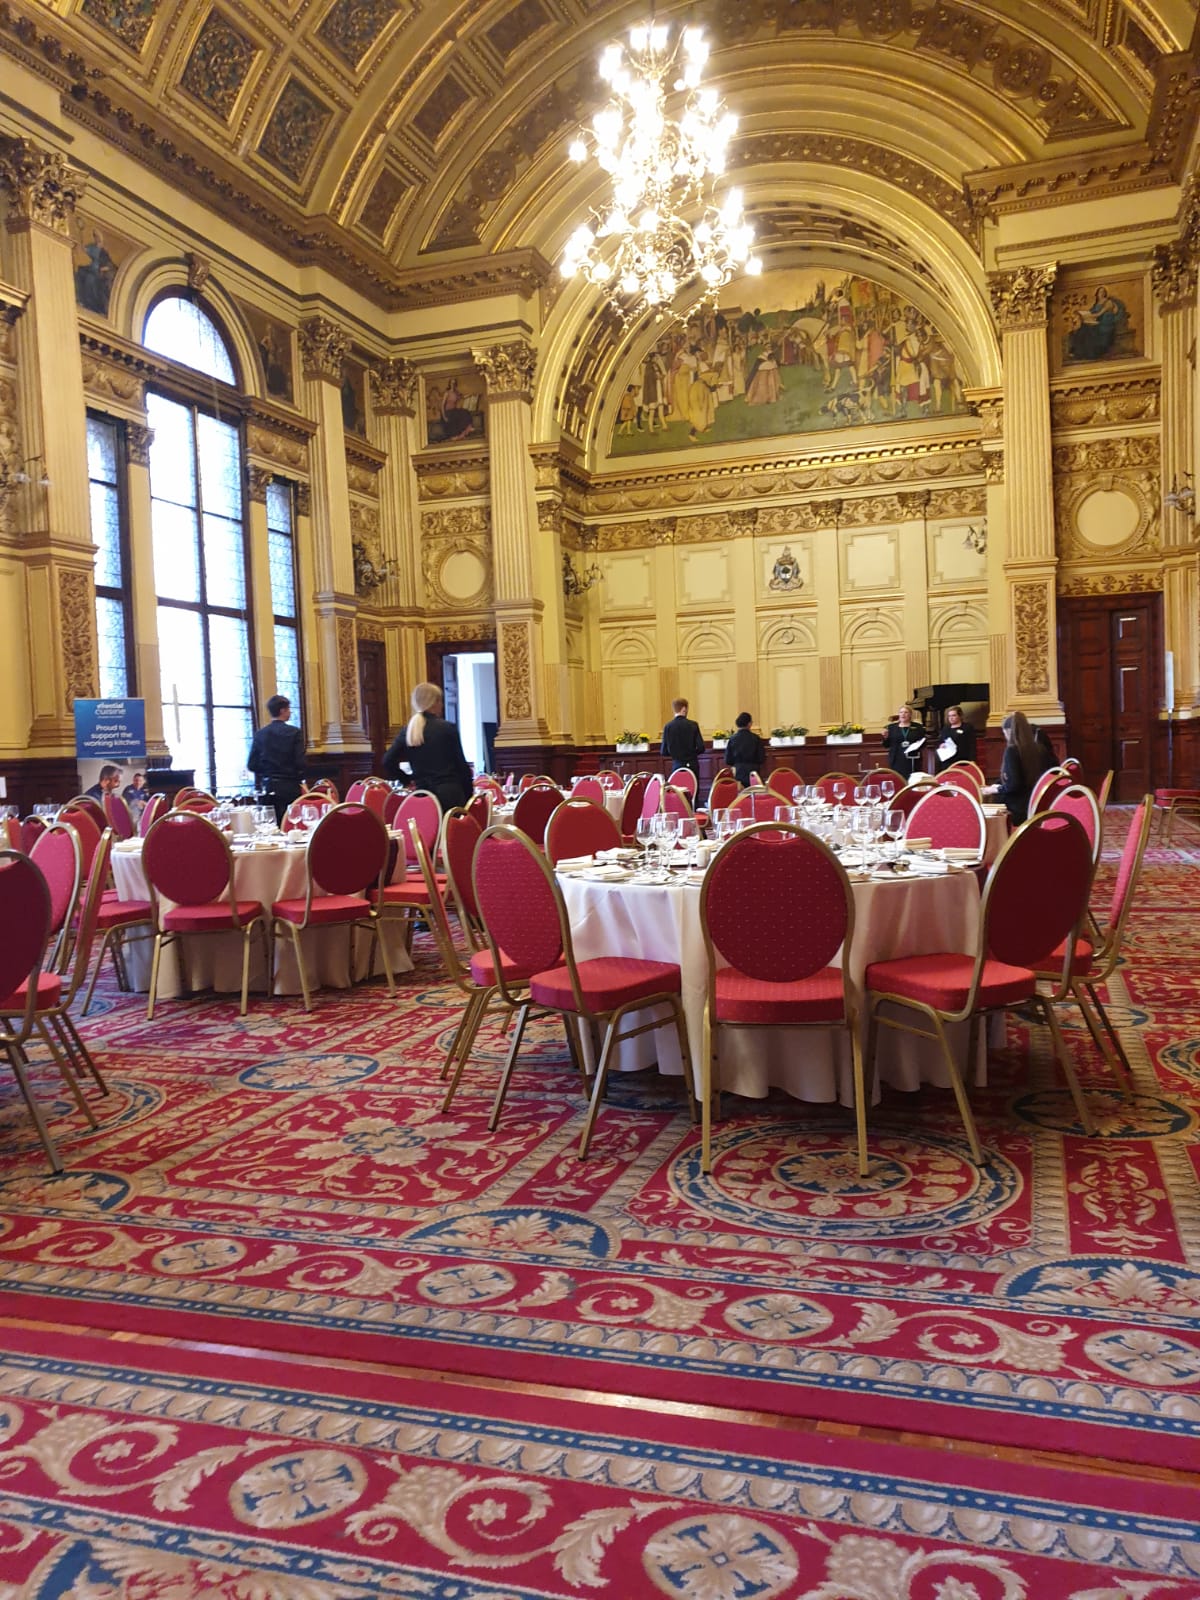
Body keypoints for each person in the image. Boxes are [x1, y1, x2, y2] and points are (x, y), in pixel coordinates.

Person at [382, 682, 473, 811]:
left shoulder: (408, 731)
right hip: (449, 794)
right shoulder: (447, 728)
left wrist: (407, 780)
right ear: (434, 703)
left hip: (422, 796)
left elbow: (387, 761)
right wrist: (468, 794)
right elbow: (461, 766)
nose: (442, 705)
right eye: (440, 701)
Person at [984, 710, 1056, 824]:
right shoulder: (1040, 749)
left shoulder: (1012, 751)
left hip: (1016, 810)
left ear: (1009, 731)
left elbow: (1014, 785)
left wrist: (995, 789)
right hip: (1035, 804)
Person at [247, 695, 306, 824]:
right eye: (288, 709)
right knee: (290, 824)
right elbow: (300, 762)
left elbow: (251, 764)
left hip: (268, 787)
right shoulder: (294, 732)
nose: (290, 712)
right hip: (290, 787)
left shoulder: (260, 734)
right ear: (282, 711)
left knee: (269, 825)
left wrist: (267, 771)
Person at [661, 697, 705, 782]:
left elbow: (664, 751)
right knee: (693, 788)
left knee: (678, 788)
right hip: (692, 765)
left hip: (677, 765)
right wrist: (691, 754)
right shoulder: (693, 725)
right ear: (684, 709)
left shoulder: (668, 726)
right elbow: (701, 747)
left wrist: (676, 754)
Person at [882, 707, 926, 778]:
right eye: (901, 712)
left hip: (912, 758)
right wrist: (885, 737)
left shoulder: (918, 727)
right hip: (896, 758)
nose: (903, 714)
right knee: (898, 778)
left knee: (913, 778)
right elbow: (886, 745)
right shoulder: (891, 728)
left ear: (910, 715)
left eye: (906, 712)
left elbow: (923, 742)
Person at [724, 712, 765, 788]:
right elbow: (761, 758)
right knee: (753, 792)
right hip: (753, 772)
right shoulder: (756, 738)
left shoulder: (732, 739)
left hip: (738, 772)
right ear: (749, 724)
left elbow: (728, 760)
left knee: (740, 792)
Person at [934, 705, 977, 772]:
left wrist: (972, 759)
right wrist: (941, 745)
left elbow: (972, 744)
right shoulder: (946, 729)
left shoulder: (967, 727)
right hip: (948, 760)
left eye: (953, 715)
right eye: (949, 716)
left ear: (960, 716)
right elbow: (941, 741)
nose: (951, 718)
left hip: (962, 760)